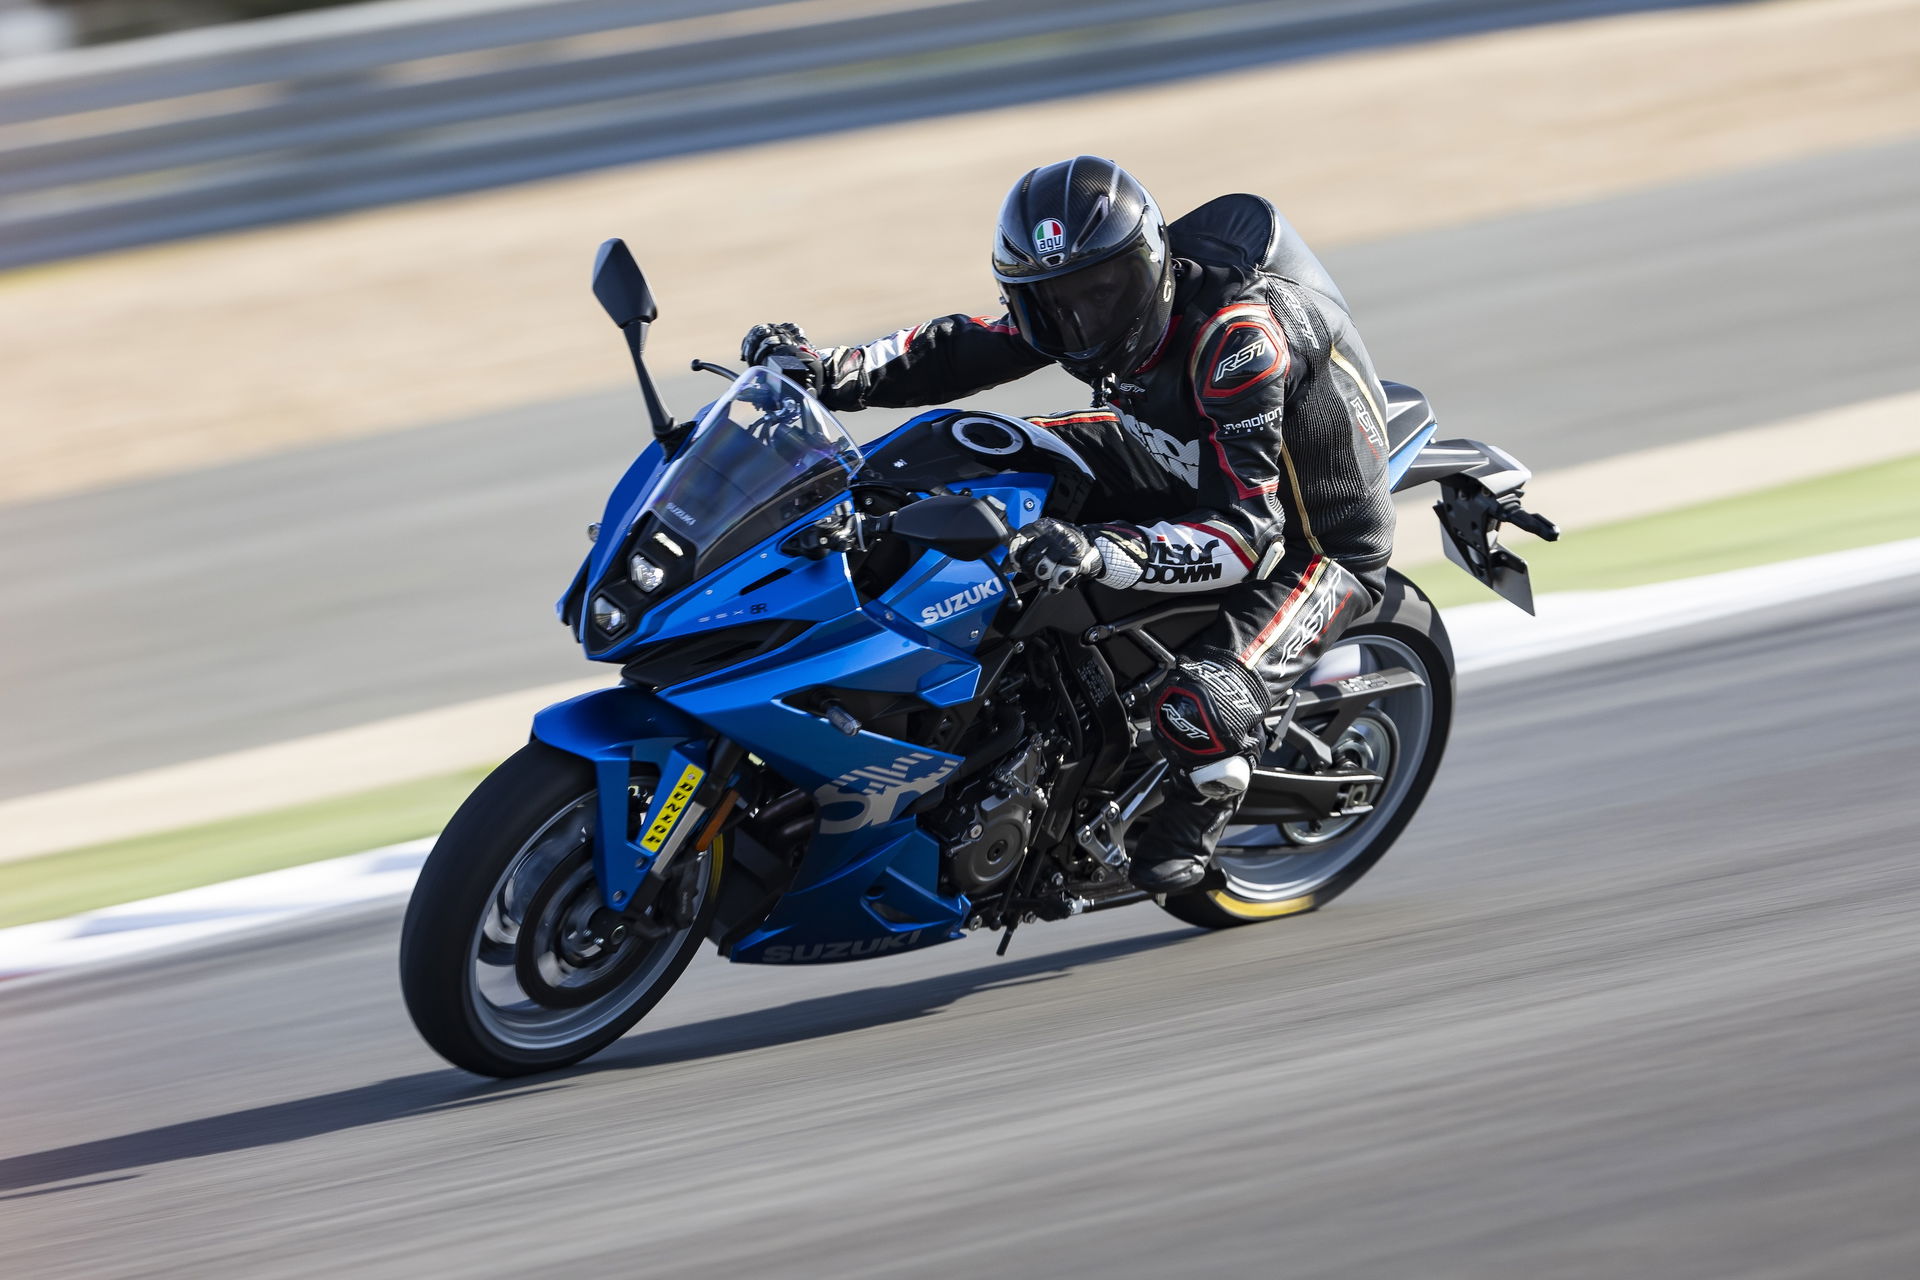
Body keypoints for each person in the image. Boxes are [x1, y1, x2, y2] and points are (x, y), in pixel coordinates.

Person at [740, 155, 1395, 893]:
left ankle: (1211, 792)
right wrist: (825, 370)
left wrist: (1096, 552)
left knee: (1198, 704)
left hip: (1310, 542)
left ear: (1151, 268)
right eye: (1052, 302)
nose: (1081, 320)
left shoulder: (1238, 345)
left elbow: (1250, 534)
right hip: (1168, 453)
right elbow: (958, 347)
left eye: (1103, 292)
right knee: (961, 443)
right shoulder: (1066, 310)